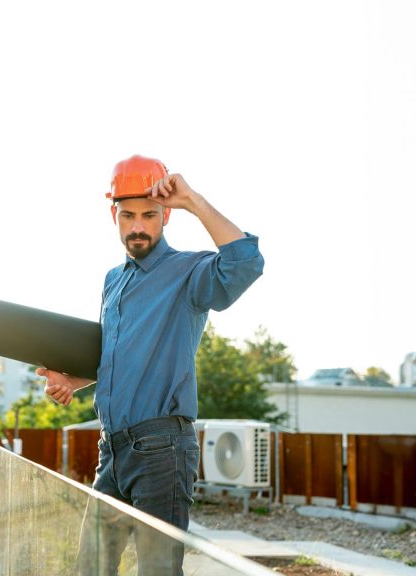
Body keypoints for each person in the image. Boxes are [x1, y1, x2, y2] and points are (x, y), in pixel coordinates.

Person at [36, 155, 264, 574]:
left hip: (162, 449)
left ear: (166, 216)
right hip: (113, 450)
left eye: (149, 215)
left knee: (157, 571)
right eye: (128, 215)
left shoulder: (187, 271)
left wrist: (193, 200)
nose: (137, 226)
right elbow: (112, 358)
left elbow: (246, 263)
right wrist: (70, 381)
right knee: (90, 567)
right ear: (114, 215)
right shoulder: (113, 280)